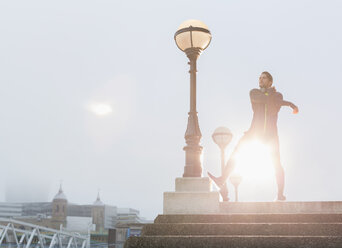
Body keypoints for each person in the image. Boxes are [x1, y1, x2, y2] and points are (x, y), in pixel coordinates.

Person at [208, 71, 298, 201]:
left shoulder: (278, 95)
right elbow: (264, 99)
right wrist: (289, 104)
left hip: (271, 135)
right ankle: (222, 179)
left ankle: (280, 194)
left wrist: (280, 101)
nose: (261, 80)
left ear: (270, 82)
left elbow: (274, 107)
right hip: (254, 132)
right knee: (236, 153)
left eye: (264, 78)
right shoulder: (254, 92)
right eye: (259, 78)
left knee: (277, 164)